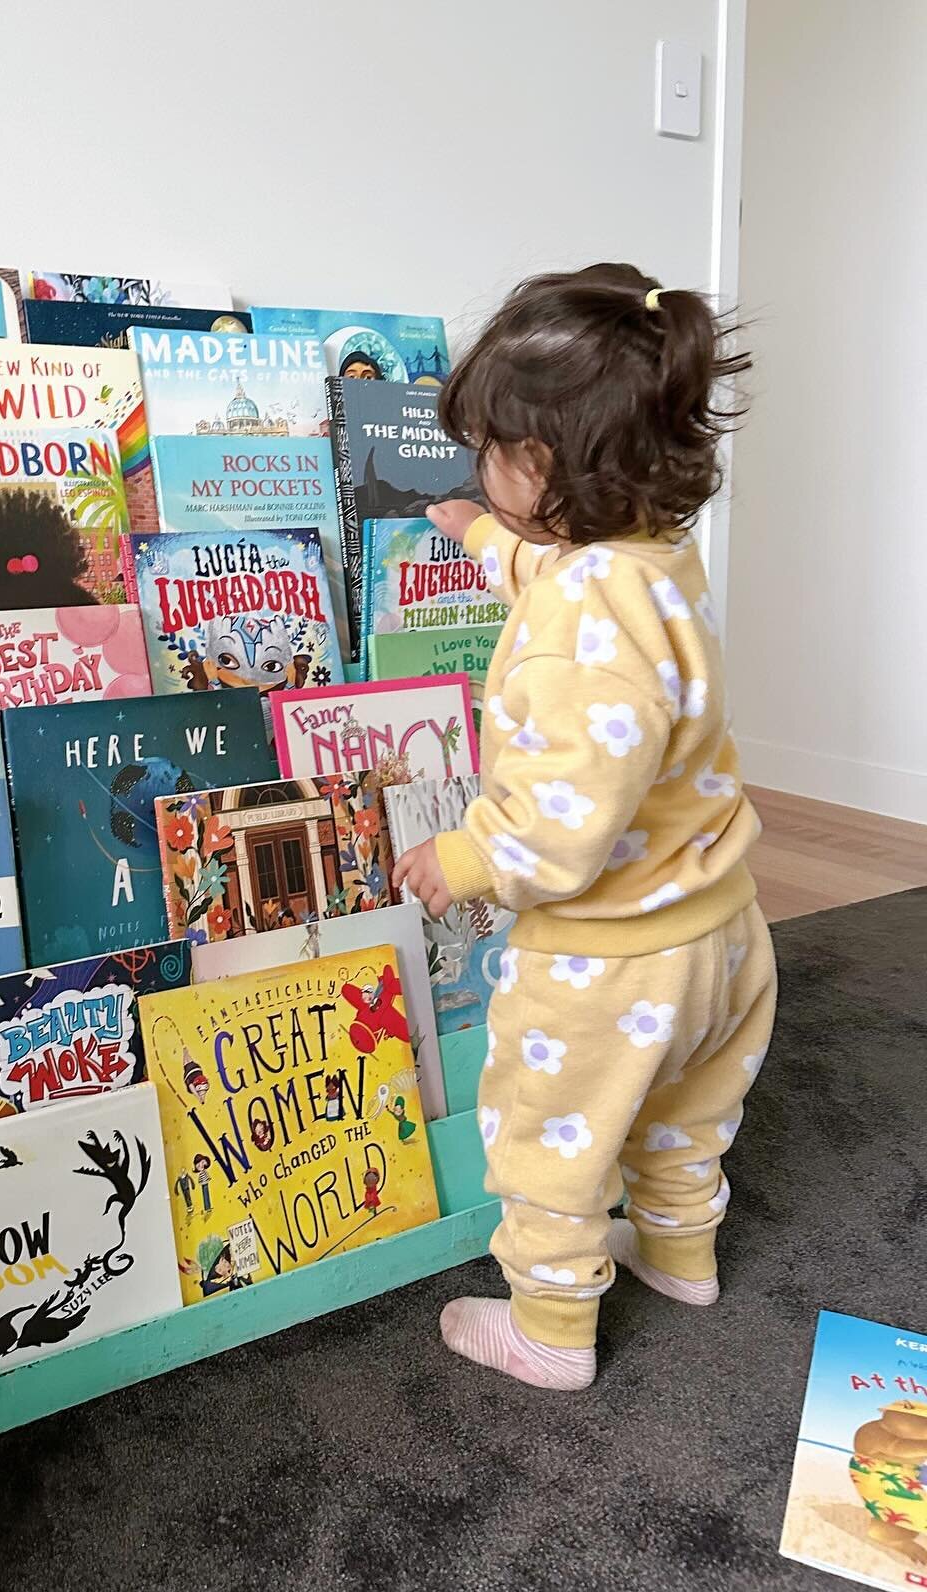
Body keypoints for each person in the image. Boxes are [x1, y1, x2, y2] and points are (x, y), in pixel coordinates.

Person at [392, 263, 775, 1392]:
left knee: (549, 1137)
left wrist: (461, 855)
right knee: (684, 1111)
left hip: (609, 967)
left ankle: (551, 1327)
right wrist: (479, 535)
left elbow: (564, 819)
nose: (477, 473)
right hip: (723, 934)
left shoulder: (573, 621)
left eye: (491, 457)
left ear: (546, 469)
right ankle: (680, 1252)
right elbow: (560, 573)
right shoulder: (656, 557)